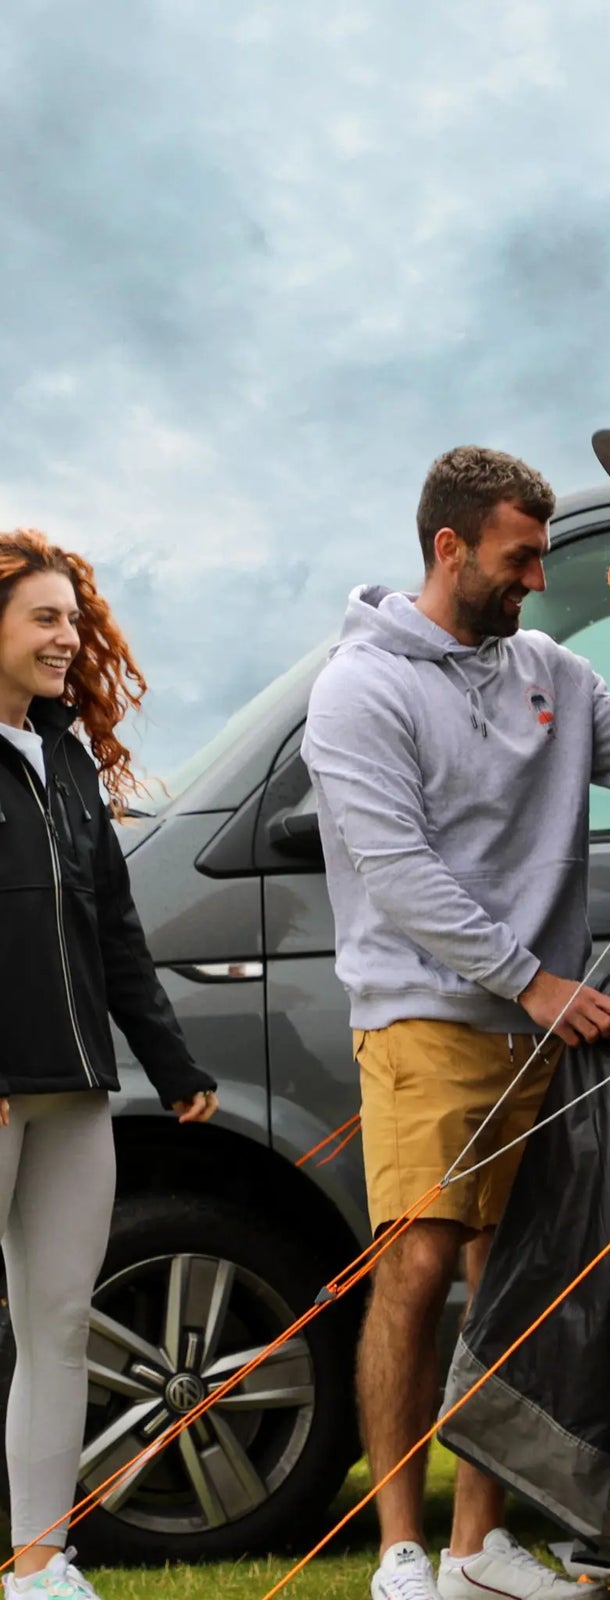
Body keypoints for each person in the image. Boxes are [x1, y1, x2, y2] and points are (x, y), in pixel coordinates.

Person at [304, 447, 610, 1600]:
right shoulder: (360, 689)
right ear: (449, 546)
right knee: (415, 1263)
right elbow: (397, 869)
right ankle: (399, 1553)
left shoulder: (546, 668)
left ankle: (476, 1550)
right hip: (428, 1015)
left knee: (519, 1279)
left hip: (536, 1030)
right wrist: (532, 980)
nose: (528, 581)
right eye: (516, 560)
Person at [0, 531, 219, 1600]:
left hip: (75, 1087)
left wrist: (173, 1063)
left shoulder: (69, 759)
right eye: (45, 617)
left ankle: (39, 1567)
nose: (66, 638)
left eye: (72, 622)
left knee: (57, 1324)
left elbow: (114, 930)